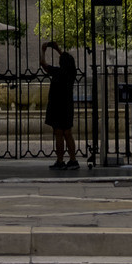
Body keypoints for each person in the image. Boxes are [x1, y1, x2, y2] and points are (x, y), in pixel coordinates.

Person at [39, 39, 79, 169]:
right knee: (68, 133)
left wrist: (43, 51)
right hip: (67, 105)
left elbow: (43, 64)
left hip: (56, 105)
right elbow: (67, 60)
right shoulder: (71, 73)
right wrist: (58, 49)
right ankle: (73, 160)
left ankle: (60, 160)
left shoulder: (58, 72)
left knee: (59, 134)